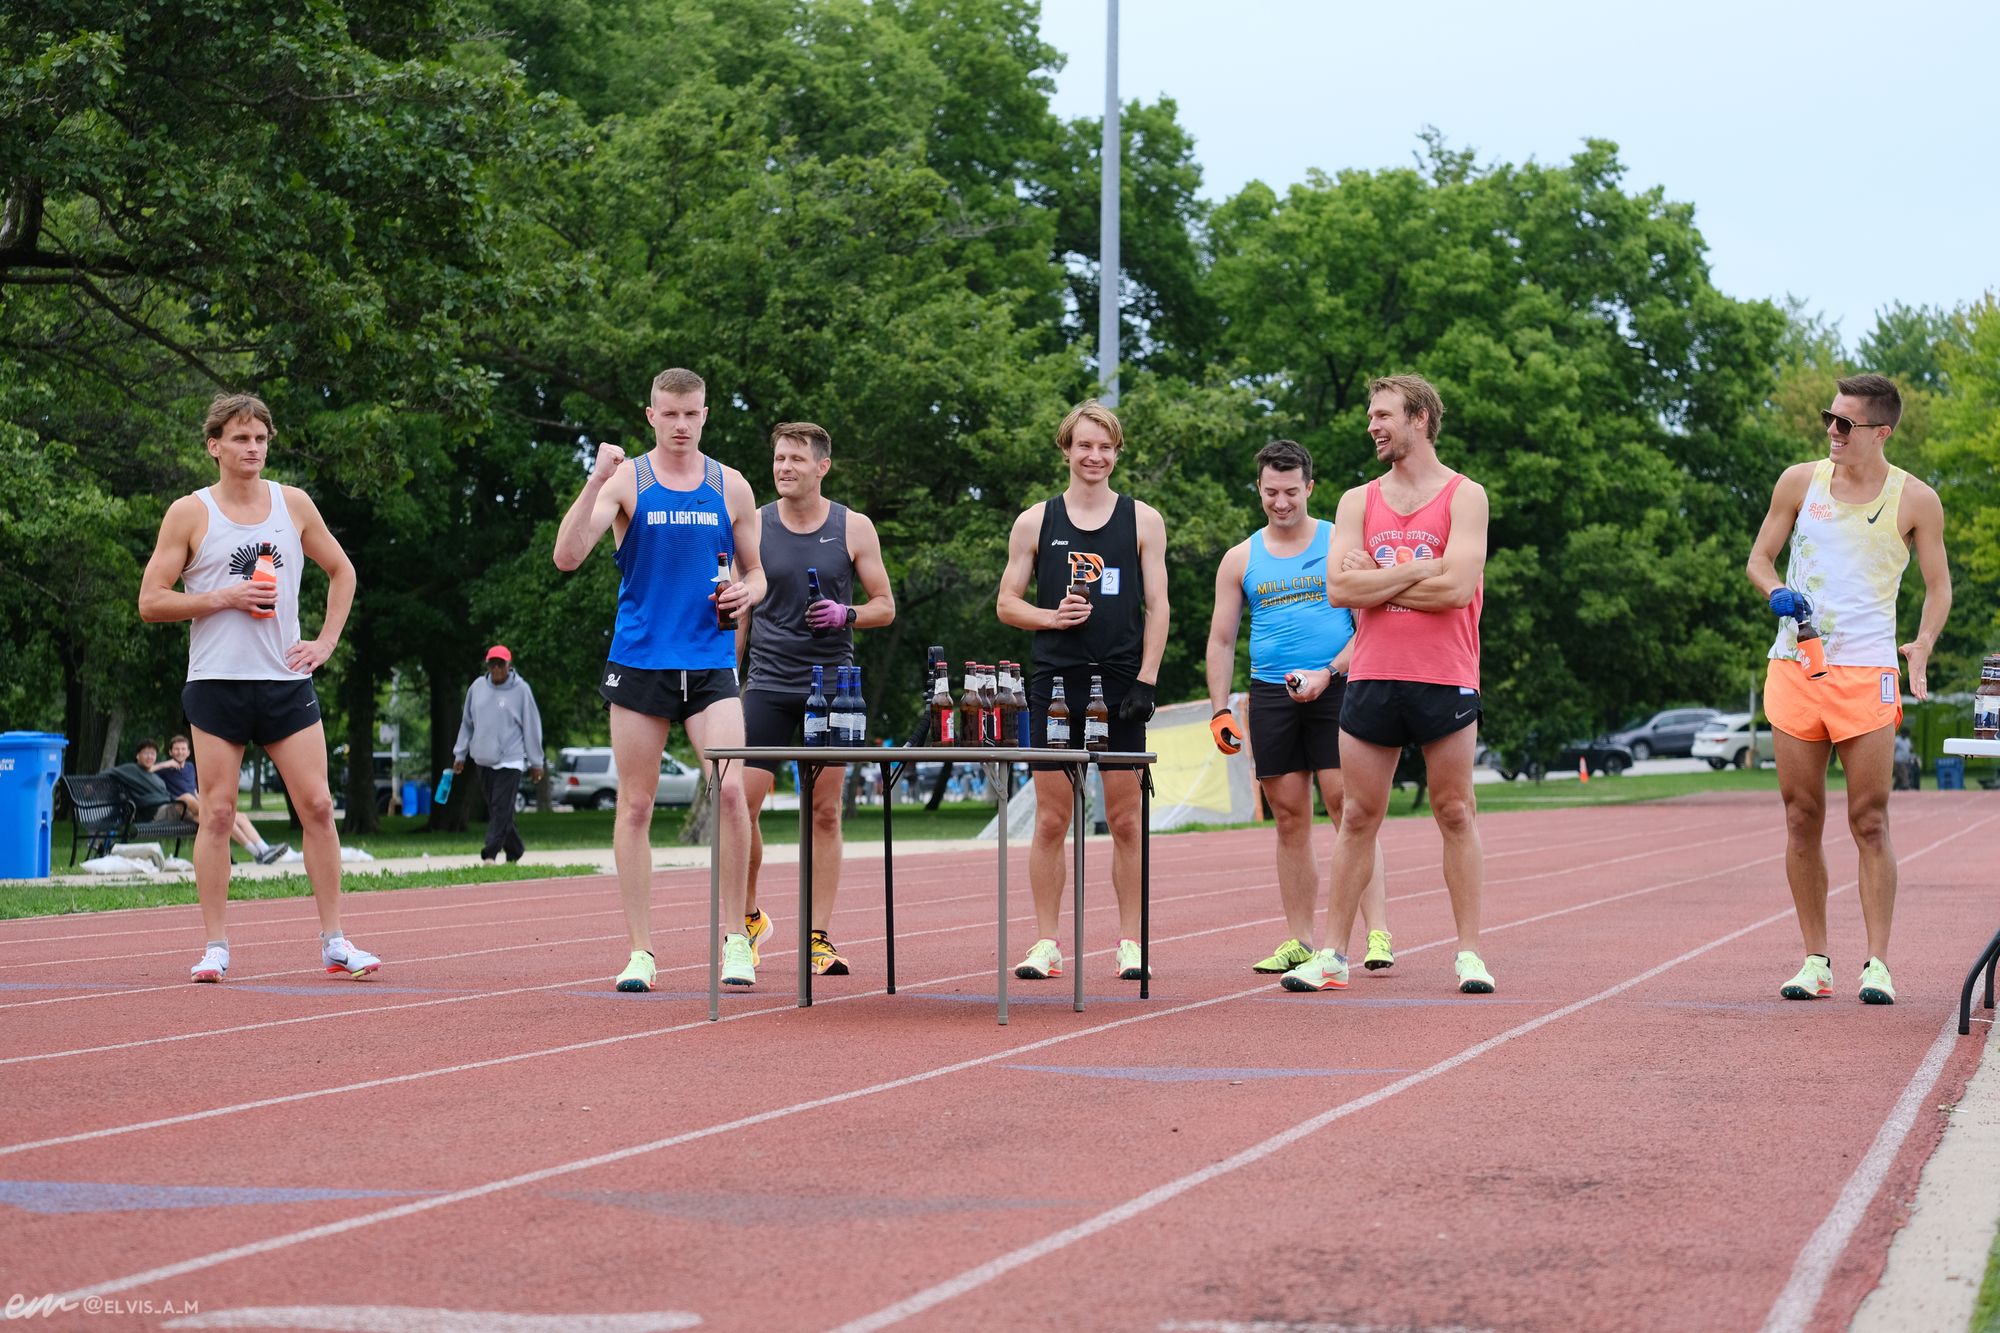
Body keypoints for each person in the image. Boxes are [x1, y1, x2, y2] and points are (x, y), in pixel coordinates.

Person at [138, 392, 380, 983]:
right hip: (217, 683)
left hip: (284, 681)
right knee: (217, 813)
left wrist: (324, 644)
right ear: (214, 445)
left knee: (318, 807)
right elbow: (151, 601)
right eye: (241, 438)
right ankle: (216, 947)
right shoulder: (189, 513)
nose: (253, 448)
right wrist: (222, 596)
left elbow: (343, 570)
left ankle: (335, 942)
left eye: (261, 439)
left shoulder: (292, 504)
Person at [553, 367, 766, 992]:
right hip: (641, 660)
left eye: (691, 414)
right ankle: (641, 951)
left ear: (705, 415)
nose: (680, 425)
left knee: (730, 792)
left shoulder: (732, 486)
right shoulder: (627, 480)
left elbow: (758, 574)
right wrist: (594, 479)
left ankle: (735, 939)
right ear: (652, 415)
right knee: (637, 804)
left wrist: (744, 595)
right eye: (669, 414)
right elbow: (567, 557)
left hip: (709, 662)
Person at [1747, 374, 1950, 1005]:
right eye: (1828, 419)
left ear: (1881, 432)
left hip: (1866, 674)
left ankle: (1878, 964)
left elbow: (1939, 587)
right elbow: (1759, 558)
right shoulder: (1798, 481)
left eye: (1845, 424)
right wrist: (1772, 590)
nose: (1831, 432)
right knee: (1801, 816)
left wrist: (1922, 643)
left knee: (1870, 819)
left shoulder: (1915, 499)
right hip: (1795, 666)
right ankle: (1815, 960)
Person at [1320, 374, 1494, 994]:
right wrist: (1424, 565)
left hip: (1444, 675)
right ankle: (1333, 954)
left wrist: (1383, 576)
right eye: (1371, 416)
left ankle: (1469, 953)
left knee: (1454, 810)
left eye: (1383, 415)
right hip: (1371, 674)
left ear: (1419, 420)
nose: (1373, 425)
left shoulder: (1465, 496)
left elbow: (1457, 591)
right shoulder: (1355, 501)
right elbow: (1339, 589)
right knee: (1358, 816)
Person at [1204, 440, 1394, 990]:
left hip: (1336, 685)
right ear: (1258, 490)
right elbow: (1220, 640)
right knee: (1288, 817)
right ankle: (1299, 939)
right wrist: (1220, 708)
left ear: (1310, 487)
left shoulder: (1342, 542)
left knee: (1348, 808)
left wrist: (1328, 673)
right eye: (1271, 492)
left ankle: (1377, 932)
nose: (1281, 502)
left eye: (1291, 492)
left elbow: (1373, 625)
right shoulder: (1240, 558)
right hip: (1269, 693)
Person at [996, 399, 1169, 982]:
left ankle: (1131, 942)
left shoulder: (1143, 519)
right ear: (1066, 450)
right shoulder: (1034, 521)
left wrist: (1147, 679)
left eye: (1105, 446)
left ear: (1117, 454)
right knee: (1051, 819)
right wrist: (1051, 618)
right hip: (1055, 682)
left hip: (1122, 682)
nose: (1095, 456)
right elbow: (1006, 604)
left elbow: (1159, 605)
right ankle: (1046, 942)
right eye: (1084, 445)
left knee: (1125, 820)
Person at [736, 423, 895, 976]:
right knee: (741, 806)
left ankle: (818, 937)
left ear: (822, 466)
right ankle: (749, 917)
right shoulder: (752, 524)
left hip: (832, 691)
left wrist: (845, 614)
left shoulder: (854, 527)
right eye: (779, 457)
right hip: (768, 684)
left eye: (796, 459)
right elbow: (741, 611)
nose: (784, 467)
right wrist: (727, 680)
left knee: (823, 812)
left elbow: (885, 605)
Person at [451, 645, 546, 865]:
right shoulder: (477, 687)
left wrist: (536, 762)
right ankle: (515, 849)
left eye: (500, 664)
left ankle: (490, 854)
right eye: (492, 663)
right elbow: (467, 724)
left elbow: (532, 727)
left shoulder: (521, 690)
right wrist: (460, 754)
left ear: (509, 666)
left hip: (510, 760)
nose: (496, 668)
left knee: (501, 808)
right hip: (483, 758)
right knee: (498, 809)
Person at [144, 734, 289, 865]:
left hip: (195, 812)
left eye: (183, 749)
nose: (180, 752)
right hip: (177, 810)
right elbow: (146, 770)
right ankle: (259, 853)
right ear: (170, 752)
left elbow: (194, 791)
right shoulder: (164, 769)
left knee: (233, 817)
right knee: (190, 799)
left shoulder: (189, 767)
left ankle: (263, 850)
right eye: (176, 749)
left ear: (188, 752)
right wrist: (166, 764)